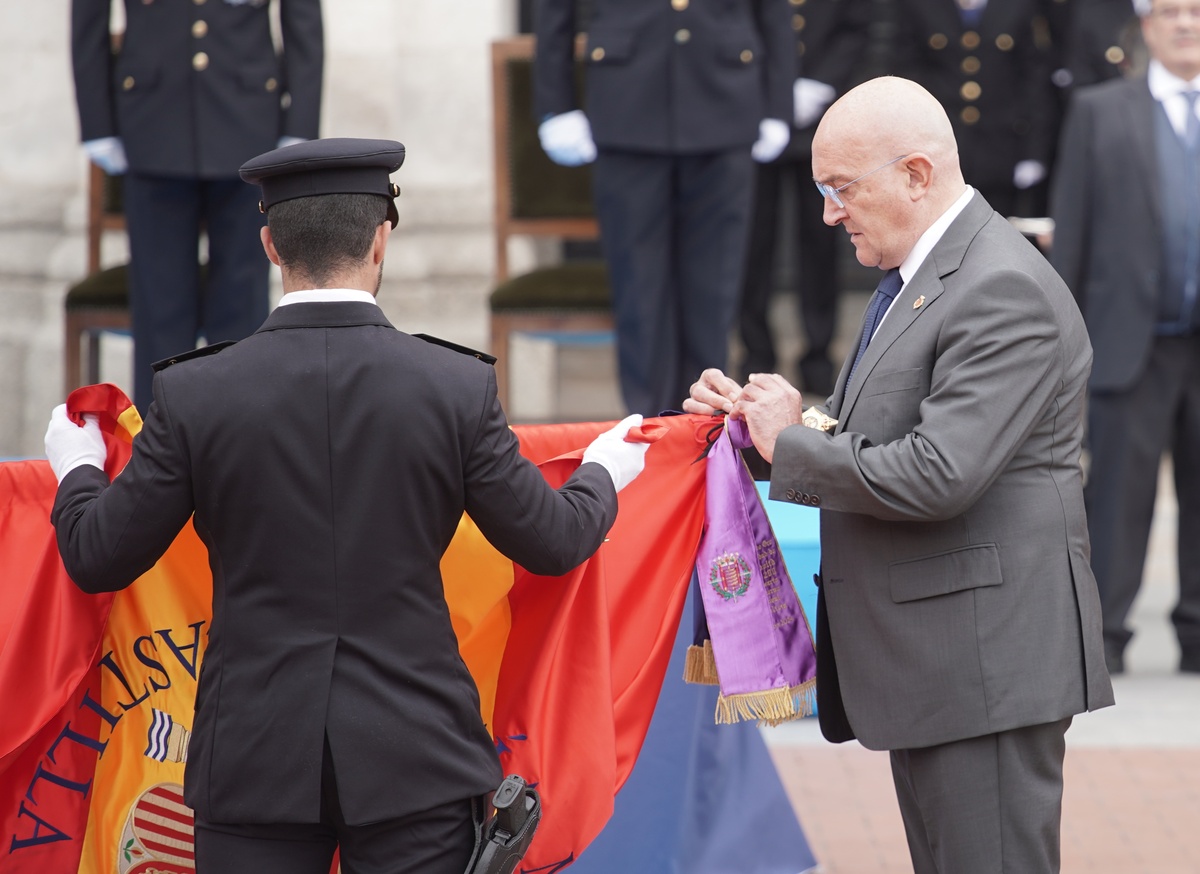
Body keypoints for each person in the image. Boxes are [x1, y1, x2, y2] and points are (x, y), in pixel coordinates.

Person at [43, 138, 651, 874]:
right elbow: (554, 541)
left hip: (251, 756)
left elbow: (97, 555)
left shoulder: (195, 392)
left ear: (270, 245)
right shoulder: (453, 386)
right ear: (380, 240)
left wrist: (77, 468)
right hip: (415, 755)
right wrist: (604, 471)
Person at [686, 77, 1114, 874]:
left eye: (841, 188)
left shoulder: (1000, 286)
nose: (827, 212)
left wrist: (791, 446)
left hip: (982, 669)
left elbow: (938, 473)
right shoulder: (928, 272)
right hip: (939, 667)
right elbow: (879, 438)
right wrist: (762, 432)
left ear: (916, 175)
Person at [533, 0, 795, 416]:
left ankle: (704, 431)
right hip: (627, 104)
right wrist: (556, 103)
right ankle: (649, 428)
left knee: (714, 289)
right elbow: (554, 12)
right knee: (639, 288)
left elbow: (774, 12)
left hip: (724, 98)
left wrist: (780, 103)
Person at [70, 0, 324, 413]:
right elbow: (88, 17)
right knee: (160, 309)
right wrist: (97, 123)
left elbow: (303, 18)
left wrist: (300, 124)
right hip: (153, 123)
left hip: (248, 122)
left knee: (242, 304)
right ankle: (162, 451)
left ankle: (239, 441)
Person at [1049, 0, 1200, 675]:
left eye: (1197, 11)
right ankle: (1101, 637)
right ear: (1144, 25)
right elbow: (1072, 235)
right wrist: (1061, 347)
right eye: (1170, 10)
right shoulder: (1099, 111)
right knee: (1112, 500)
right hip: (1127, 342)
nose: (1185, 24)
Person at [737, 0, 873, 397]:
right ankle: (755, 356)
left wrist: (822, 82)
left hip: (822, 119)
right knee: (753, 242)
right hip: (756, 118)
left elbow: (856, 27)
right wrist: (770, 88)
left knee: (821, 240)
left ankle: (818, 356)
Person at [885, 0, 1060, 217]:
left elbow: (1035, 84)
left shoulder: (1020, 6)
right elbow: (907, 78)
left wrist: (1034, 153)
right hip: (938, 149)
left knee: (997, 230)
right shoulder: (920, 6)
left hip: (1001, 151)